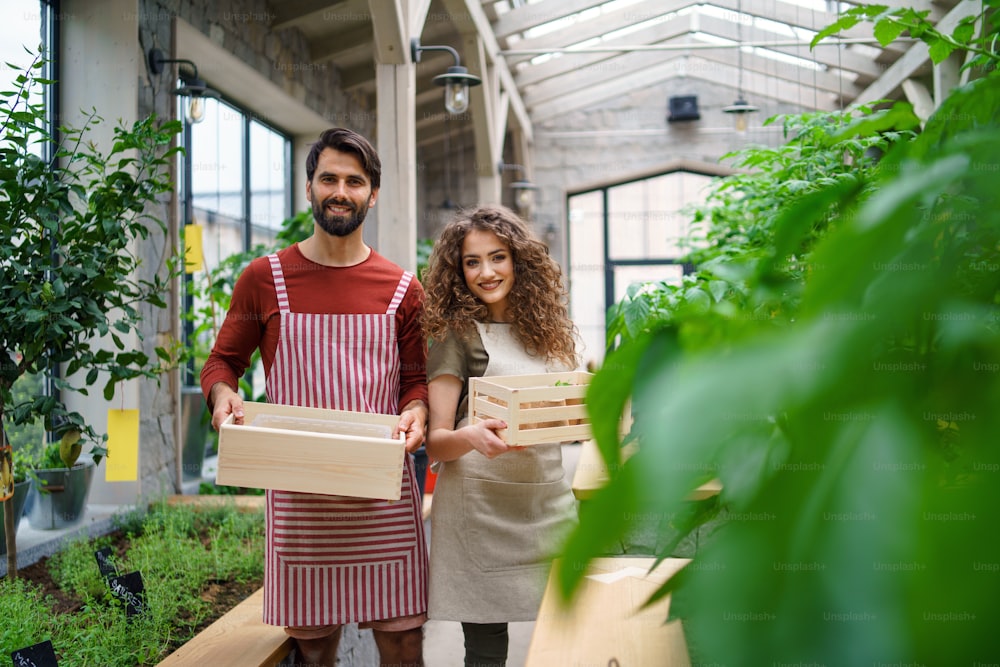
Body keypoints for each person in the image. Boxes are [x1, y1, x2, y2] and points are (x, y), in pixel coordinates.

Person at [201, 127, 428, 667]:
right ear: (309, 188)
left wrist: (416, 411)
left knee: (403, 642)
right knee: (315, 646)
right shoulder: (264, 278)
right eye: (329, 177)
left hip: (382, 498)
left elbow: (415, 380)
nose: (340, 190)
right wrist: (221, 397)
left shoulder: (402, 288)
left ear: (373, 195)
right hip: (301, 499)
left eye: (355, 181)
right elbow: (222, 364)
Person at [420, 204, 580, 666]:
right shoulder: (457, 336)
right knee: (487, 649)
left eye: (498, 257)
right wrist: (471, 435)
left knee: (569, 627)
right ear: (458, 270)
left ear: (519, 261)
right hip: (481, 509)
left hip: (546, 499)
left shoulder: (549, 333)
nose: (486, 272)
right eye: (472, 262)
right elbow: (437, 440)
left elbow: (563, 412)